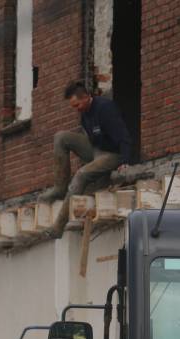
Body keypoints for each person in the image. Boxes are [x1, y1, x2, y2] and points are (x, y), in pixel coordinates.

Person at [41, 80, 133, 238]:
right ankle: (60, 188)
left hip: (113, 154)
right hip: (97, 150)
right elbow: (92, 140)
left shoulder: (105, 109)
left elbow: (124, 137)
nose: (76, 109)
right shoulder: (84, 115)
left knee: (81, 174)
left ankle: (59, 226)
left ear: (86, 97)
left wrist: (125, 161)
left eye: (77, 105)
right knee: (60, 137)